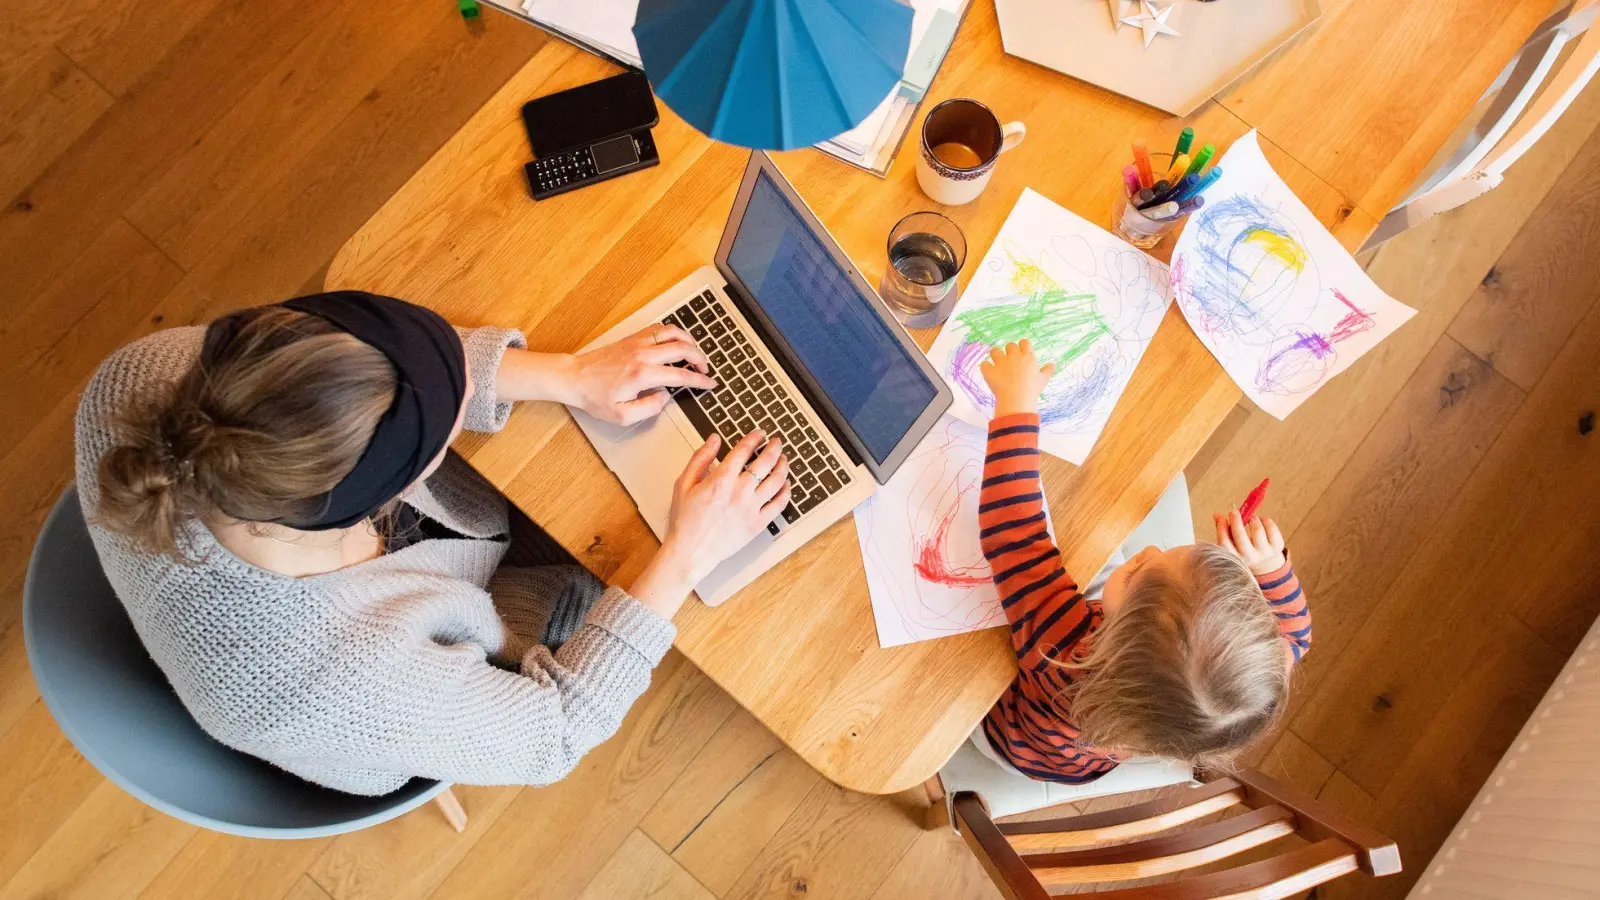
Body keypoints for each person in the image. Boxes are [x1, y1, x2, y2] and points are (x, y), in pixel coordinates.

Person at [77, 291, 790, 796]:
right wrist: (687, 554)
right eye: (443, 428)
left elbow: (363, 369)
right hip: (420, 691)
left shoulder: (161, 376)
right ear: (374, 500)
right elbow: (557, 735)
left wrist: (567, 373)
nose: (460, 416)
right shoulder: (338, 682)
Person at [969, 340, 1311, 783]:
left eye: (1133, 572)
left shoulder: (1063, 646)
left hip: (1010, 736)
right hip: (1092, 748)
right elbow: (1295, 633)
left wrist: (1015, 408)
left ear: (1108, 640)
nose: (1147, 550)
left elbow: (1014, 532)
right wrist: (1269, 568)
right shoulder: (1253, 680)